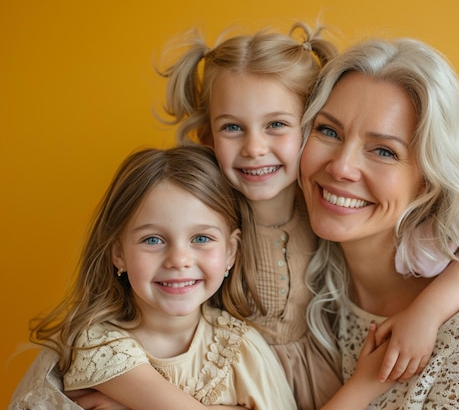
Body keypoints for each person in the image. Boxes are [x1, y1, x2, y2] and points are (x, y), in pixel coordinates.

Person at [299, 38, 459, 409]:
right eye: (328, 131)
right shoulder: (296, 279)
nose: (340, 166)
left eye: (384, 151)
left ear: (431, 178)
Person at [10, 145, 297, 410]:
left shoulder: (242, 349)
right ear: (118, 252)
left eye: (201, 238)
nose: (179, 260)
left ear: (231, 251)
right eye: (152, 240)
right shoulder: (96, 342)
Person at [156, 21, 343, 410]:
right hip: (227, 385)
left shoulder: (333, 206)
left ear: (312, 127)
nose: (255, 148)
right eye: (232, 128)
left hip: (321, 382)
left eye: (276, 125)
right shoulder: (200, 222)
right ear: (207, 136)